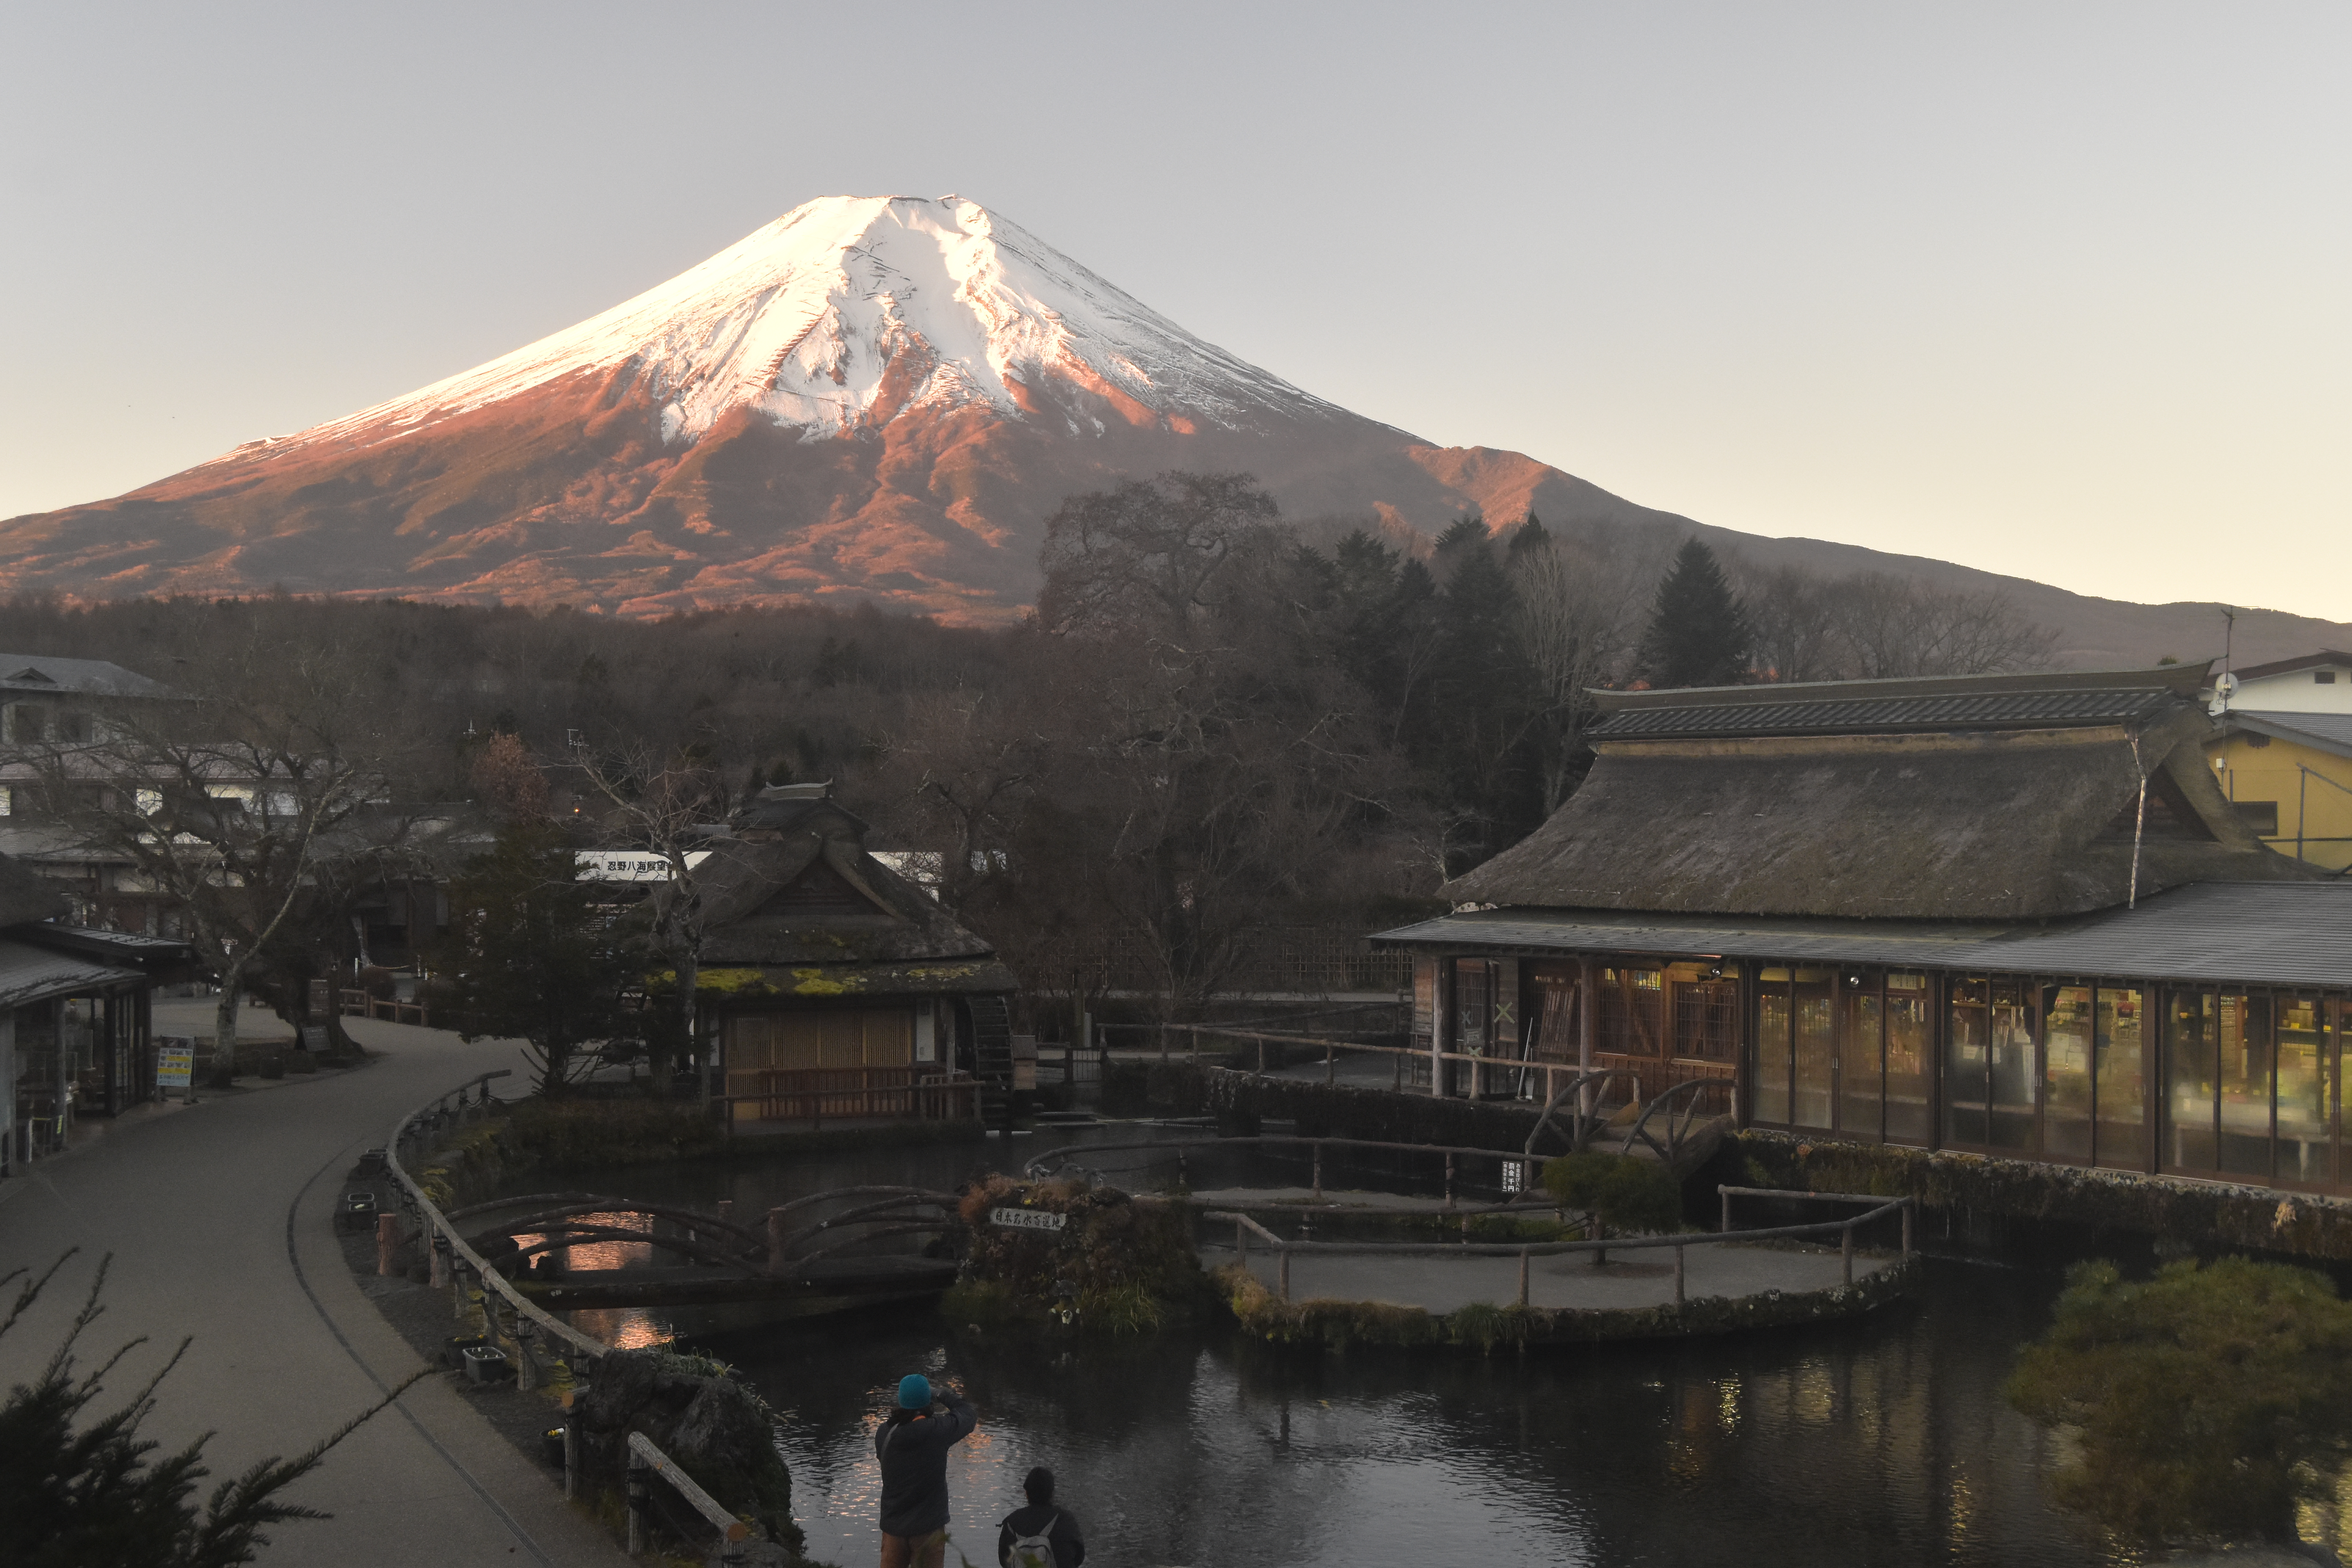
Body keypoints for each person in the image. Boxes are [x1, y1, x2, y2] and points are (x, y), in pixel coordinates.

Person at [875, 1372, 978, 1568]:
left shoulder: (883, 1434)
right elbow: (968, 1413)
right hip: (928, 1532)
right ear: (927, 1402)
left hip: (893, 1531)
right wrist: (940, 1393)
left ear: (901, 1401)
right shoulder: (937, 1431)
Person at [997, 1466, 1085, 1568]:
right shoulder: (1066, 1520)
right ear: (1052, 1493)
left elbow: (1004, 1560)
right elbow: (1079, 1557)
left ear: (1027, 1493)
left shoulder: (1011, 1522)